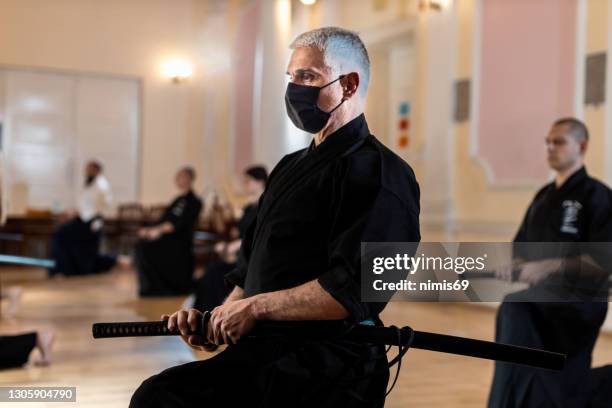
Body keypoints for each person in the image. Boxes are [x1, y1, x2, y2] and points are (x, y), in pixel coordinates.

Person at [130, 27, 420, 408]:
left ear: (349, 85)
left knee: (162, 398)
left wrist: (253, 308)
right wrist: (217, 318)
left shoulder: (383, 173)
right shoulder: (288, 167)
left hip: (326, 361)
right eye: (292, 77)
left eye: (309, 77)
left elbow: (355, 290)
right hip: (265, 348)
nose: (295, 88)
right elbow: (250, 266)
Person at [488, 118, 612, 407]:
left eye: (559, 142)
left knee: (518, 311)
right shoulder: (543, 197)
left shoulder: (598, 196)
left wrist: (550, 266)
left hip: (578, 304)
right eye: (548, 141)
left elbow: (603, 260)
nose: (550, 147)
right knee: (514, 310)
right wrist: (514, 264)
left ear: (581, 146)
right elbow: (520, 249)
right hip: (540, 301)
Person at [193, 165, 267, 313]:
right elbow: (239, 232)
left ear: (259, 181)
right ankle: (204, 314)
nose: (244, 184)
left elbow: (258, 236)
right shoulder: (248, 208)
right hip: (240, 254)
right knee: (210, 271)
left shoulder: (265, 205)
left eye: (248, 181)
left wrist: (235, 245)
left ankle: (215, 313)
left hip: (252, 258)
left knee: (215, 272)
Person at [135, 166, 203, 297]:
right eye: (177, 177)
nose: (178, 180)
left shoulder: (195, 201)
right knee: (140, 245)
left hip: (179, 240)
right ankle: (150, 287)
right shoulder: (177, 200)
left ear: (190, 179)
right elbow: (164, 220)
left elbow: (180, 225)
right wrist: (149, 230)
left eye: (182, 176)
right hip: (167, 238)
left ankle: (161, 287)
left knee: (146, 248)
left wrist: (158, 231)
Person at [49, 160, 114, 276]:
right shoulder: (89, 183)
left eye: (89, 169)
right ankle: (65, 269)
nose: (87, 171)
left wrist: (76, 213)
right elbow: (83, 204)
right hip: (84, 220)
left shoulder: (101, 185)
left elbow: (98, 208)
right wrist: (71, 212)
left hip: (92, 222)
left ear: (97, 170)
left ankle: (65, 270)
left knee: (62, 236)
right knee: (61, 235)